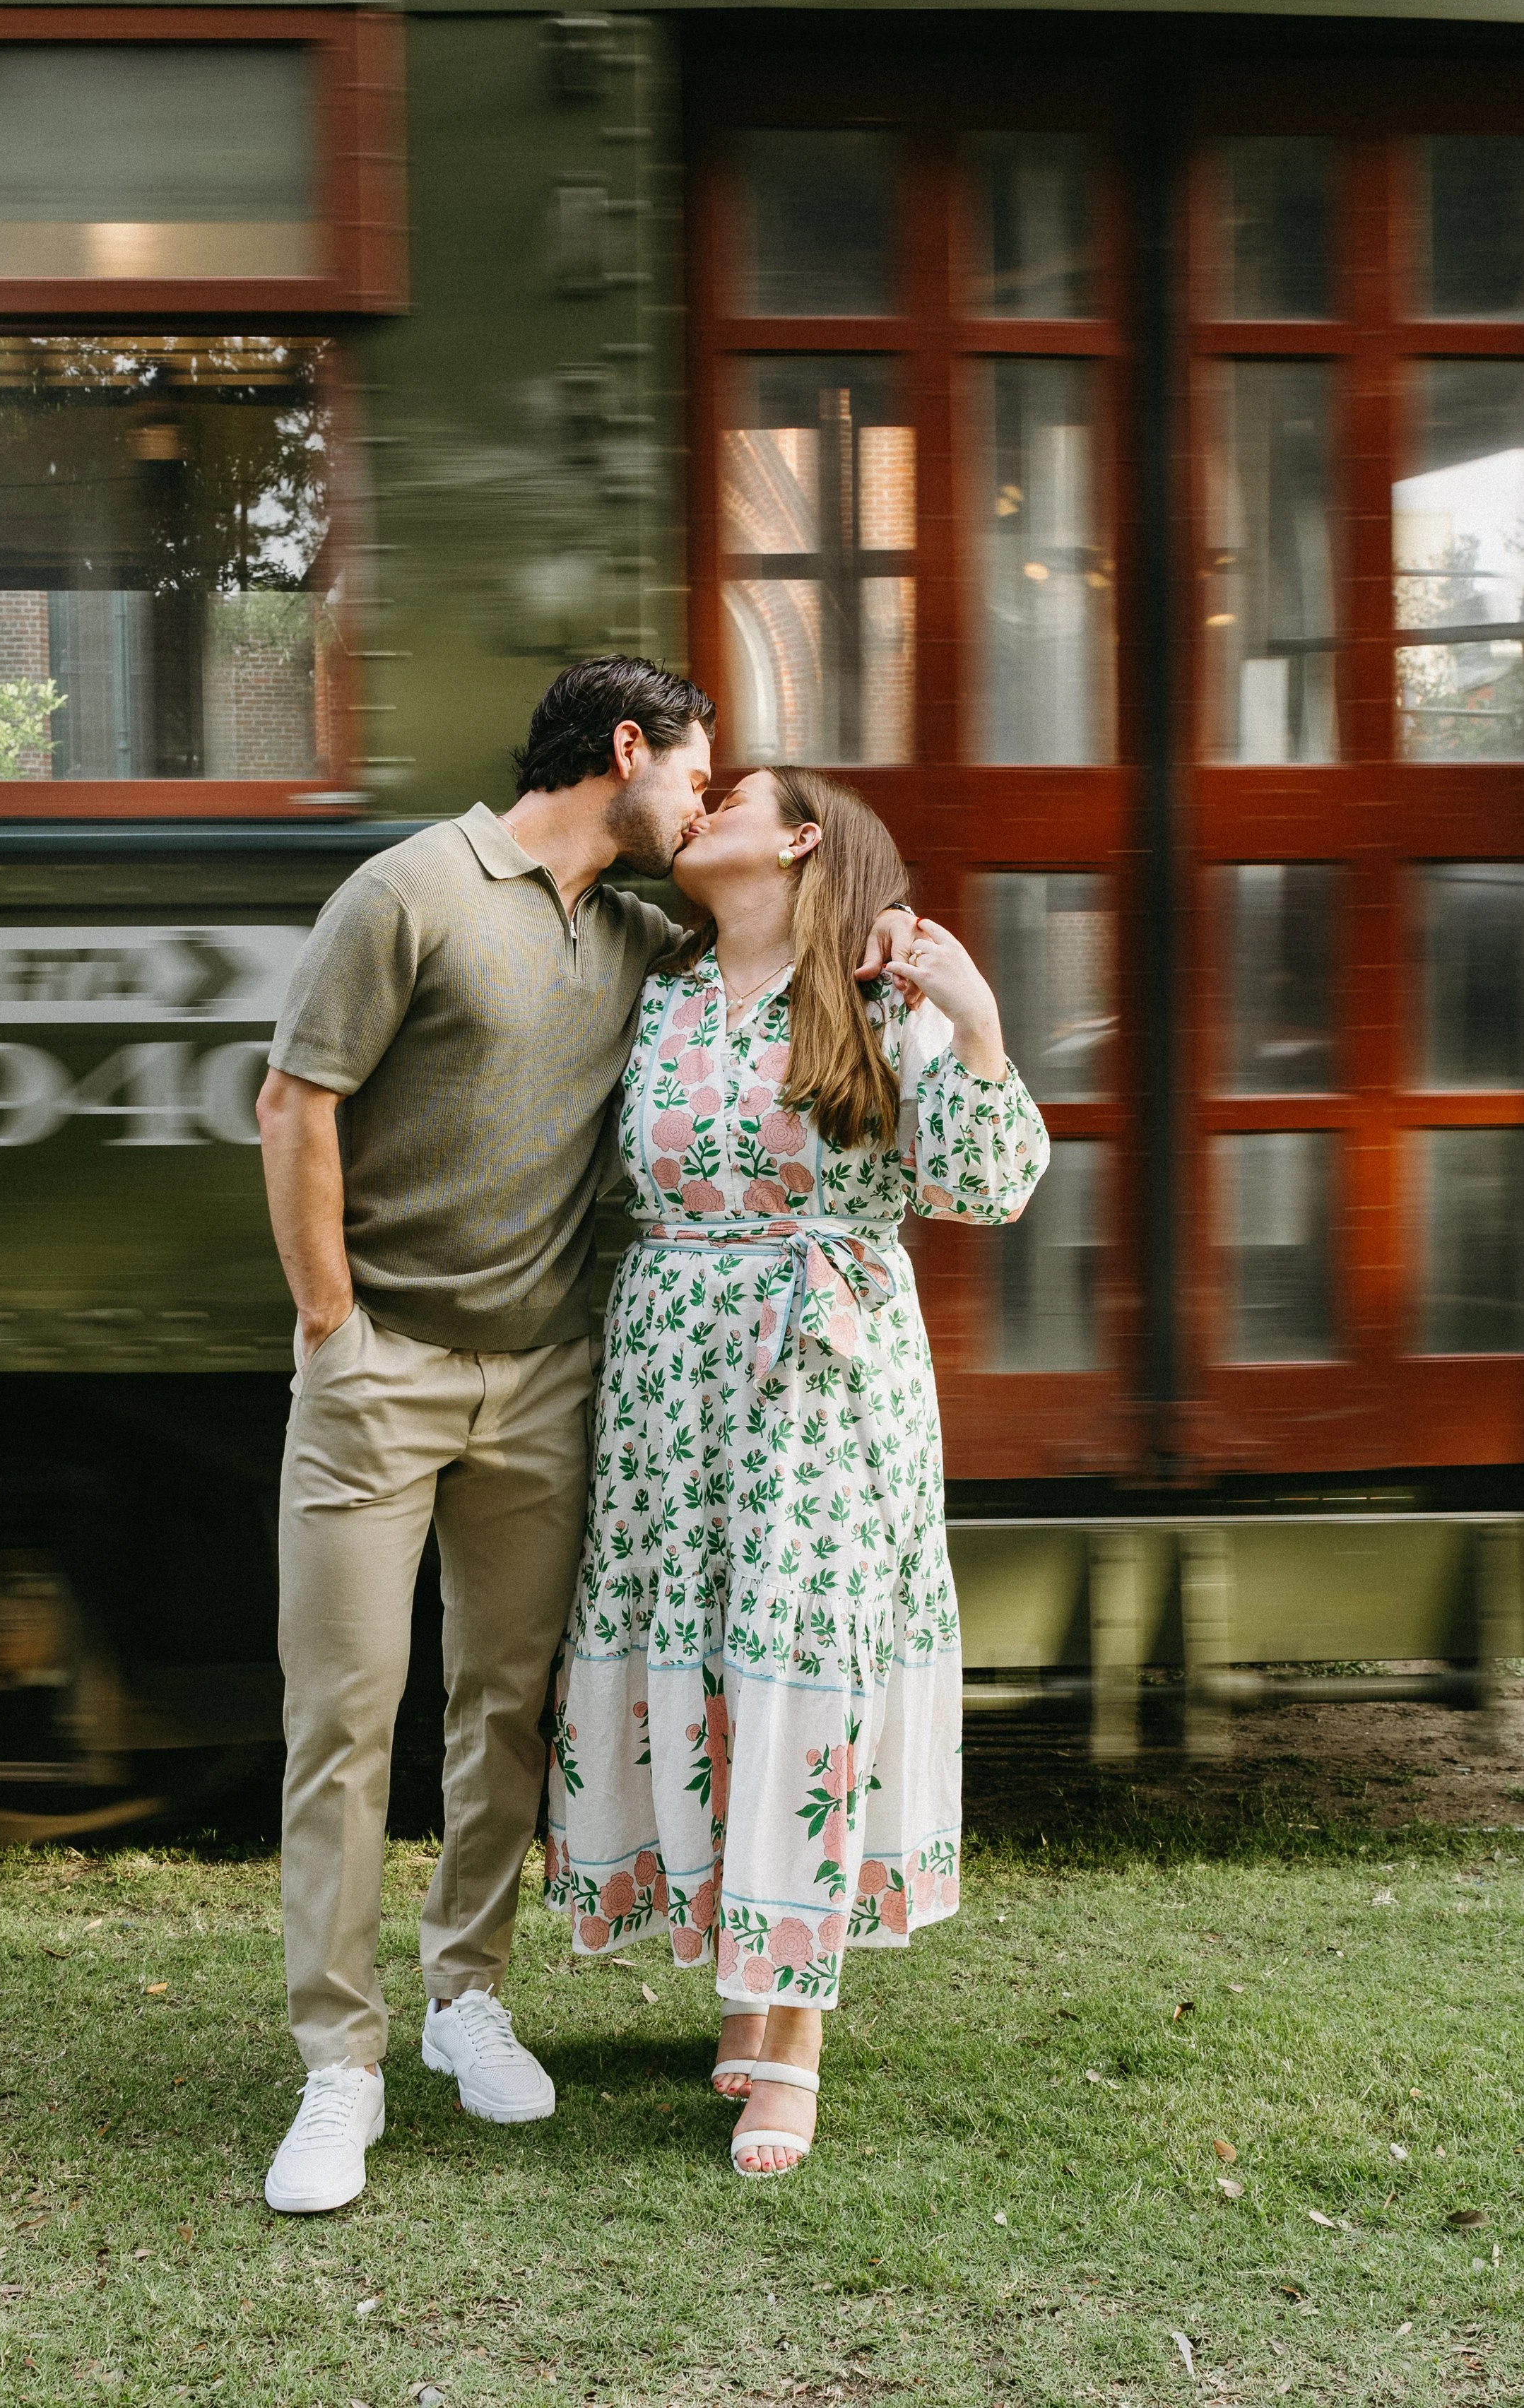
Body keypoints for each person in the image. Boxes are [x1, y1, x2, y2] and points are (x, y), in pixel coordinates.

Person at [253, 658, 920, 2214]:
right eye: (695, 773)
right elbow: (294, 1104)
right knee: (346, 1715)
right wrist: (332, 1327)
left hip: (548, 1378)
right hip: (384, 1371)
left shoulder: (640, 943)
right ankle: (336, 2066)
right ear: (625, 749)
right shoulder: (408, 889)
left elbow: (780, 971)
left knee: (503, 1707)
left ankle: (459, 1998)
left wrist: (888, 948)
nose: (701, 804)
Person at [543, 765, 1049, 2176]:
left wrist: (978, 1019)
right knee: (705, 1660)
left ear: (800, 839)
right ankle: (743, 1982)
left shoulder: (883, 998)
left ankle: (795, 2032)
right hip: (670, 1373)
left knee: (796, 1663)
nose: (696, 808)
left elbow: (986, 1184)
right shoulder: (658, 993)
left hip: (824, 1381)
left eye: (734, 796)